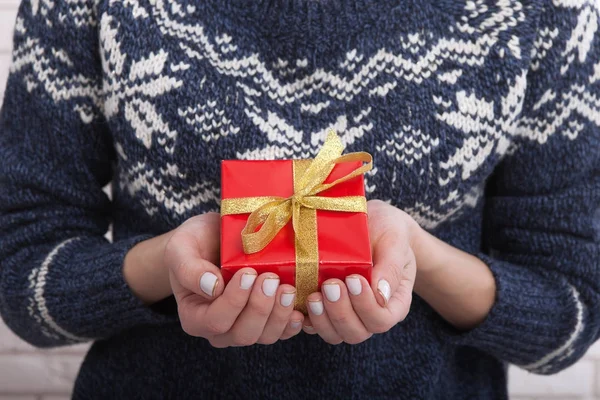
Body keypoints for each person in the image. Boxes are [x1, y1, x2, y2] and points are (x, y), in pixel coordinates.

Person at [0, 0, 599, 398]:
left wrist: (420, 256)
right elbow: (22, 276)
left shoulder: (544, 13)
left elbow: (568, 319)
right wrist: (167, 263)